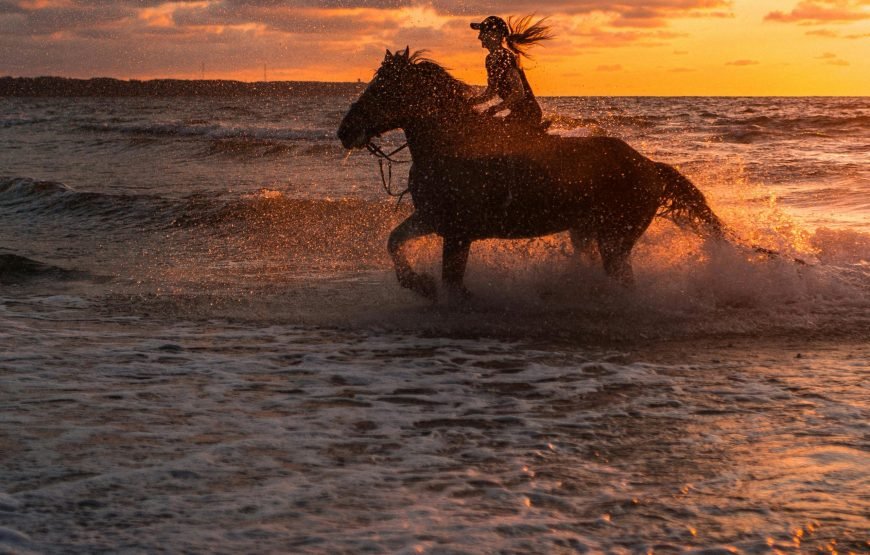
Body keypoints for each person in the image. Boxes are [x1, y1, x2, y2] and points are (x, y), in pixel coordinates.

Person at [469, 15, 552, 134]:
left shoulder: (506, 57)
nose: (479, 36)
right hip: (517, 114)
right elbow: (491, 92)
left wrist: (495, 109)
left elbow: (518, 93)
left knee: (491, 132)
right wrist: (471, 102)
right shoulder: (490, 60)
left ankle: (534, 132)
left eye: (483, 32)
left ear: (496, 35)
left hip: (529, 114)